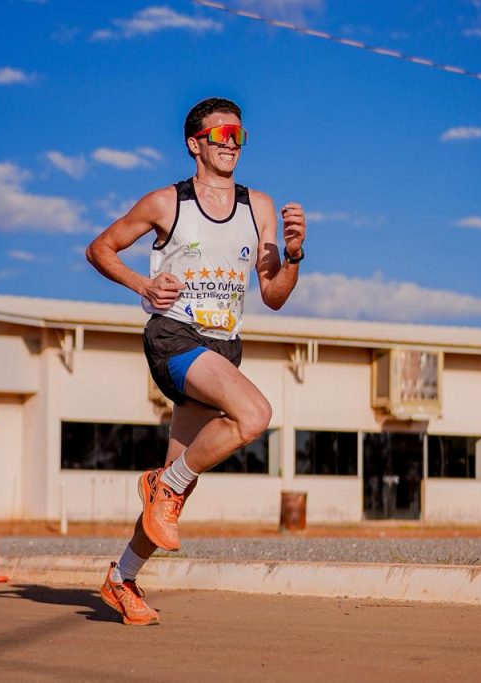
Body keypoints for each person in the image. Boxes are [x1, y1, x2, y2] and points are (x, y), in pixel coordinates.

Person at [86, 97, 307, 625]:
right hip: (173, 337)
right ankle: (162, 487)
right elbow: (100, 248)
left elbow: (273, 293)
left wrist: (294, 254)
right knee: (253, 416)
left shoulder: (259, 207)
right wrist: (142, 283)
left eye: (239, 134)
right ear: (195, 143)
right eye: (221, 133)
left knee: (176, 486)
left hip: (222, 345)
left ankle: (121, 578)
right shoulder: (167, 203)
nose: (231, 141)